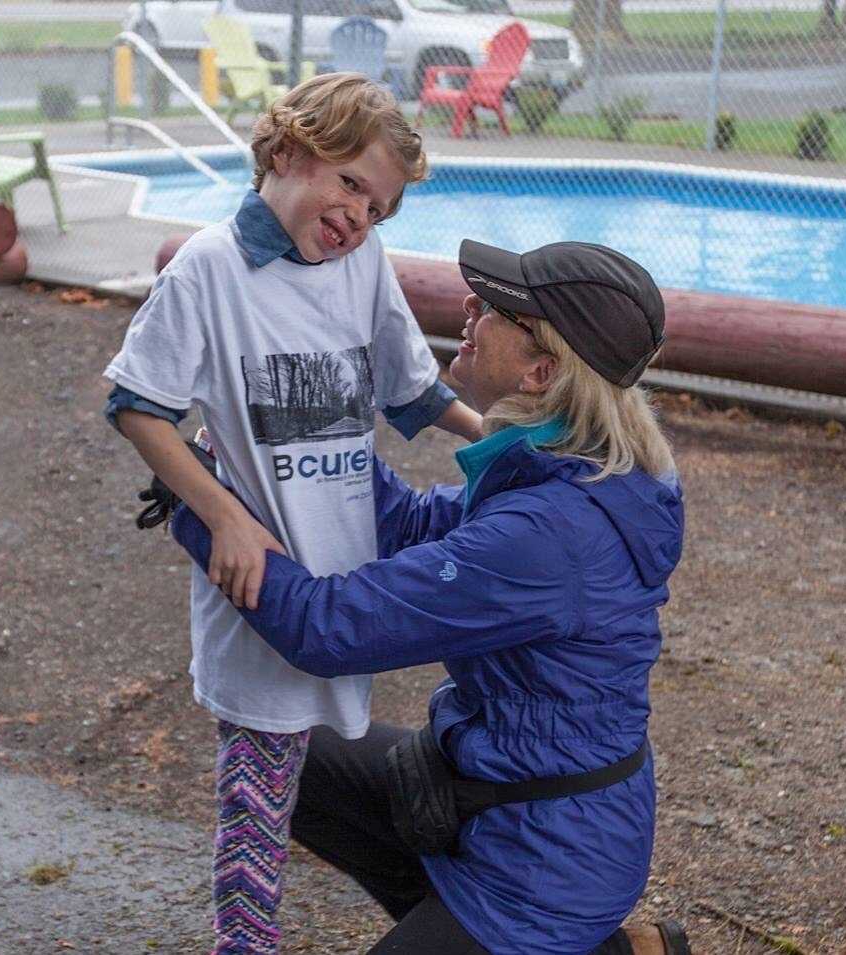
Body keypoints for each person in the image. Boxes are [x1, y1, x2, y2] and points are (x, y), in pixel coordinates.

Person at [170, 237, 690, 955]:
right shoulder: (567, 466)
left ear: (541, 371)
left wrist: (204, 508)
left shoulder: (550, 534)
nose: (471, 308)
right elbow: (414, 524)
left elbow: (329, 629)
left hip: (542, 869)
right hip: (492, 797)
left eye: (499, 307)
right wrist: (298, 442)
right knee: (304, 763)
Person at [103, 74, 483, 954]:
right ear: (286, 151)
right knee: (255, 805)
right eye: (352, 183)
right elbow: (134, 405)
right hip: (265, 581)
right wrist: (223, 518)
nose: (360, 215)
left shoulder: (360, 270)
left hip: (344, 581)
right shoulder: (208, 268)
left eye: (379, 206)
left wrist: (507, 444)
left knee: (302, 769)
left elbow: (414, 394)